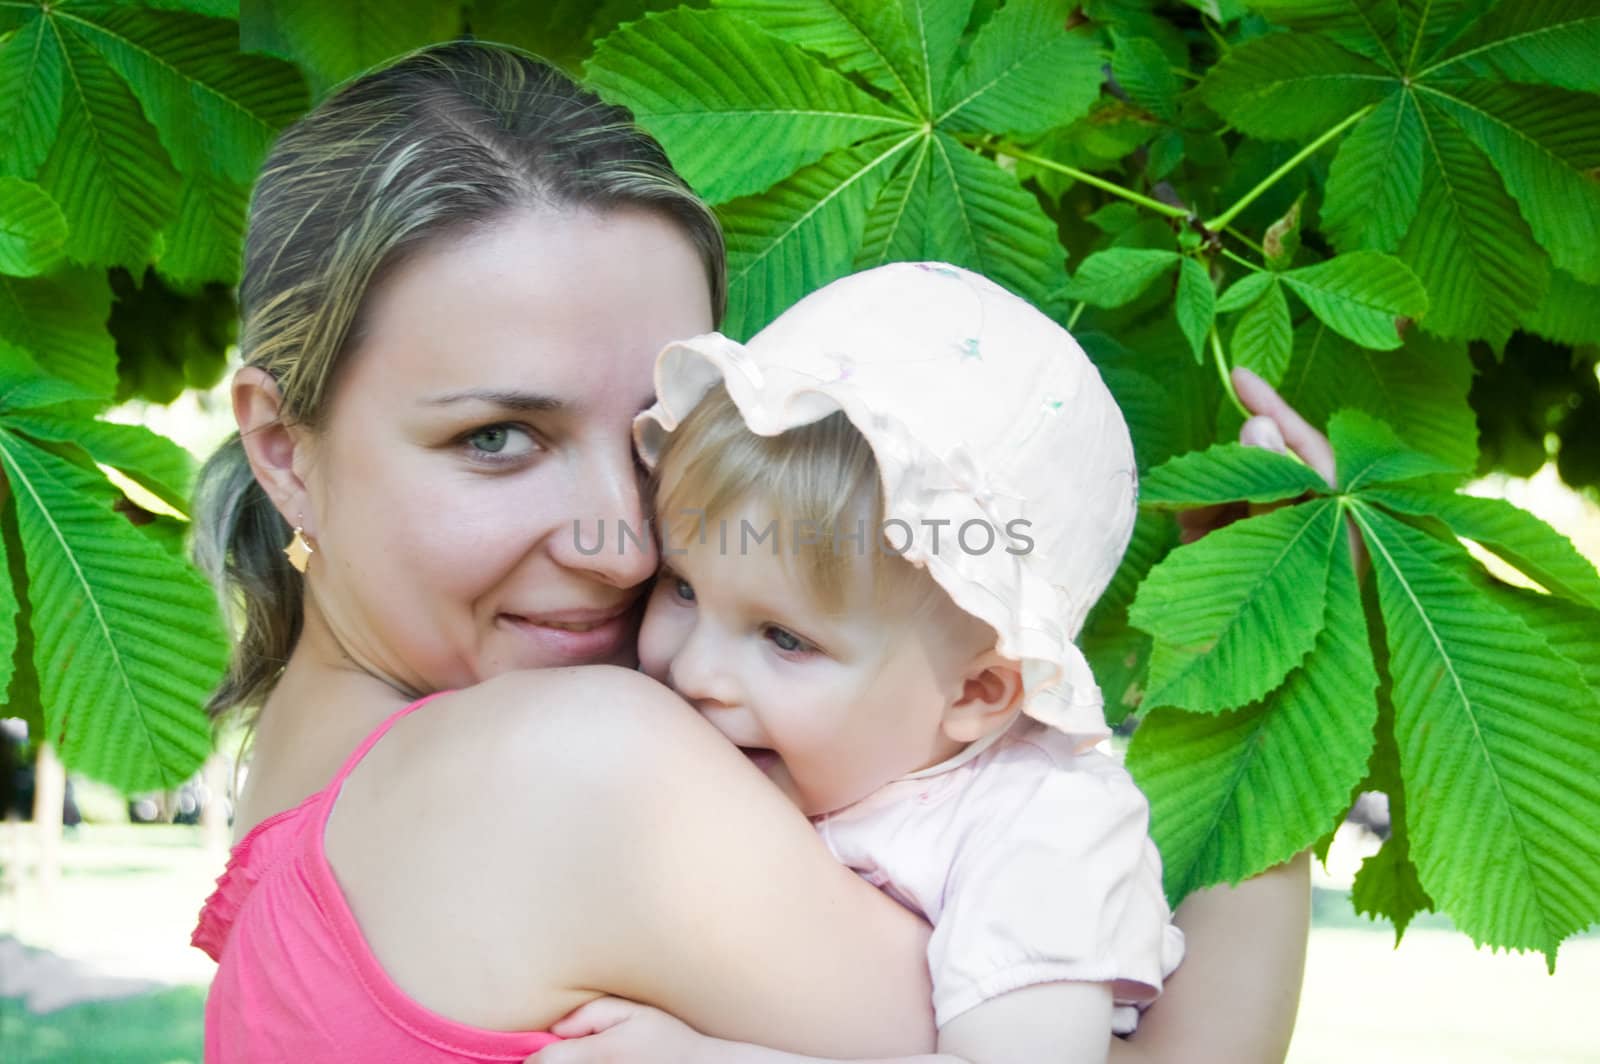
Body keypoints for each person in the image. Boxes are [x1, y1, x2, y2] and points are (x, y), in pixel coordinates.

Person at [190, 40, 1314, 1064]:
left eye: (657, 438)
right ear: (284, 447)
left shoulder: (312, 764)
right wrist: (1271, 671)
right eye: (498, 438)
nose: (628, 543)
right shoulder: (579, 768)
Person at [538, 261, 1182, 1064]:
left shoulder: (1039, 836)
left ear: (978, 690)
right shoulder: (752, 760)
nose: (694, 669)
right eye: (682, 586)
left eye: (785, 638)